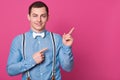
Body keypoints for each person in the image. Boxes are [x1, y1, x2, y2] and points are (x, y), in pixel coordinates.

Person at [7, 1, 74, 80]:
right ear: (29, 17)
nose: (39, 20)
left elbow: (68, 68)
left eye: (43, 16)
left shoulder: (57, 39)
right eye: (35, 16)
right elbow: (10, 70)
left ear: (48, 17)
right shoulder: (18, 40)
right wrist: (32, 61)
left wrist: (67, 47)